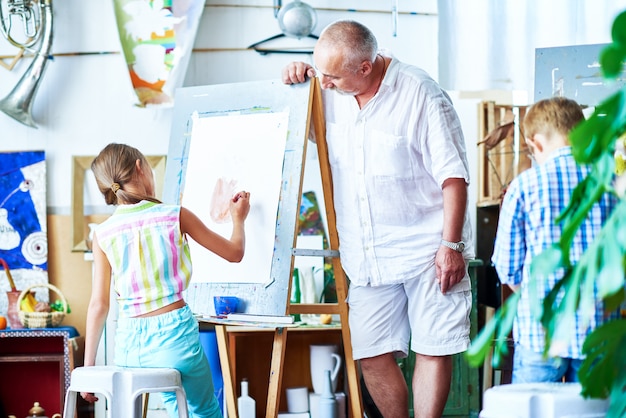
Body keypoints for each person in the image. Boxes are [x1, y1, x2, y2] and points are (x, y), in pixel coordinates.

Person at [282, 20, 474, 418]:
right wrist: (297, 81)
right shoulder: (326, 92)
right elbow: (315, 130)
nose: (325, 82)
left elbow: (453, 176)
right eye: (321, 72)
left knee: (432, 349)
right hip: (366, 254)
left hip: (428, 250)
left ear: (365, 68)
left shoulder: (421, 94)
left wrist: (451, 246)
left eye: (332, 75)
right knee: (370, 354)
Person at [81, 143, 250, 418]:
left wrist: (88, 367)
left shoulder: (102, 233)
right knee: (205, 410)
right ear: (140, 168)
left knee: (176, 405)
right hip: (175, 343)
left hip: (128, 352)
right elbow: (234, 253)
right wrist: (238, 218)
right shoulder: (174, 215)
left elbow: (98, 305)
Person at [492, 97, 620, 383]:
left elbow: (508, 268)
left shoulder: (523, 187)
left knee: (532, 409)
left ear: (535, 143)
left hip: (541, 334)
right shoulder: (612, 183)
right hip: (598, 329)